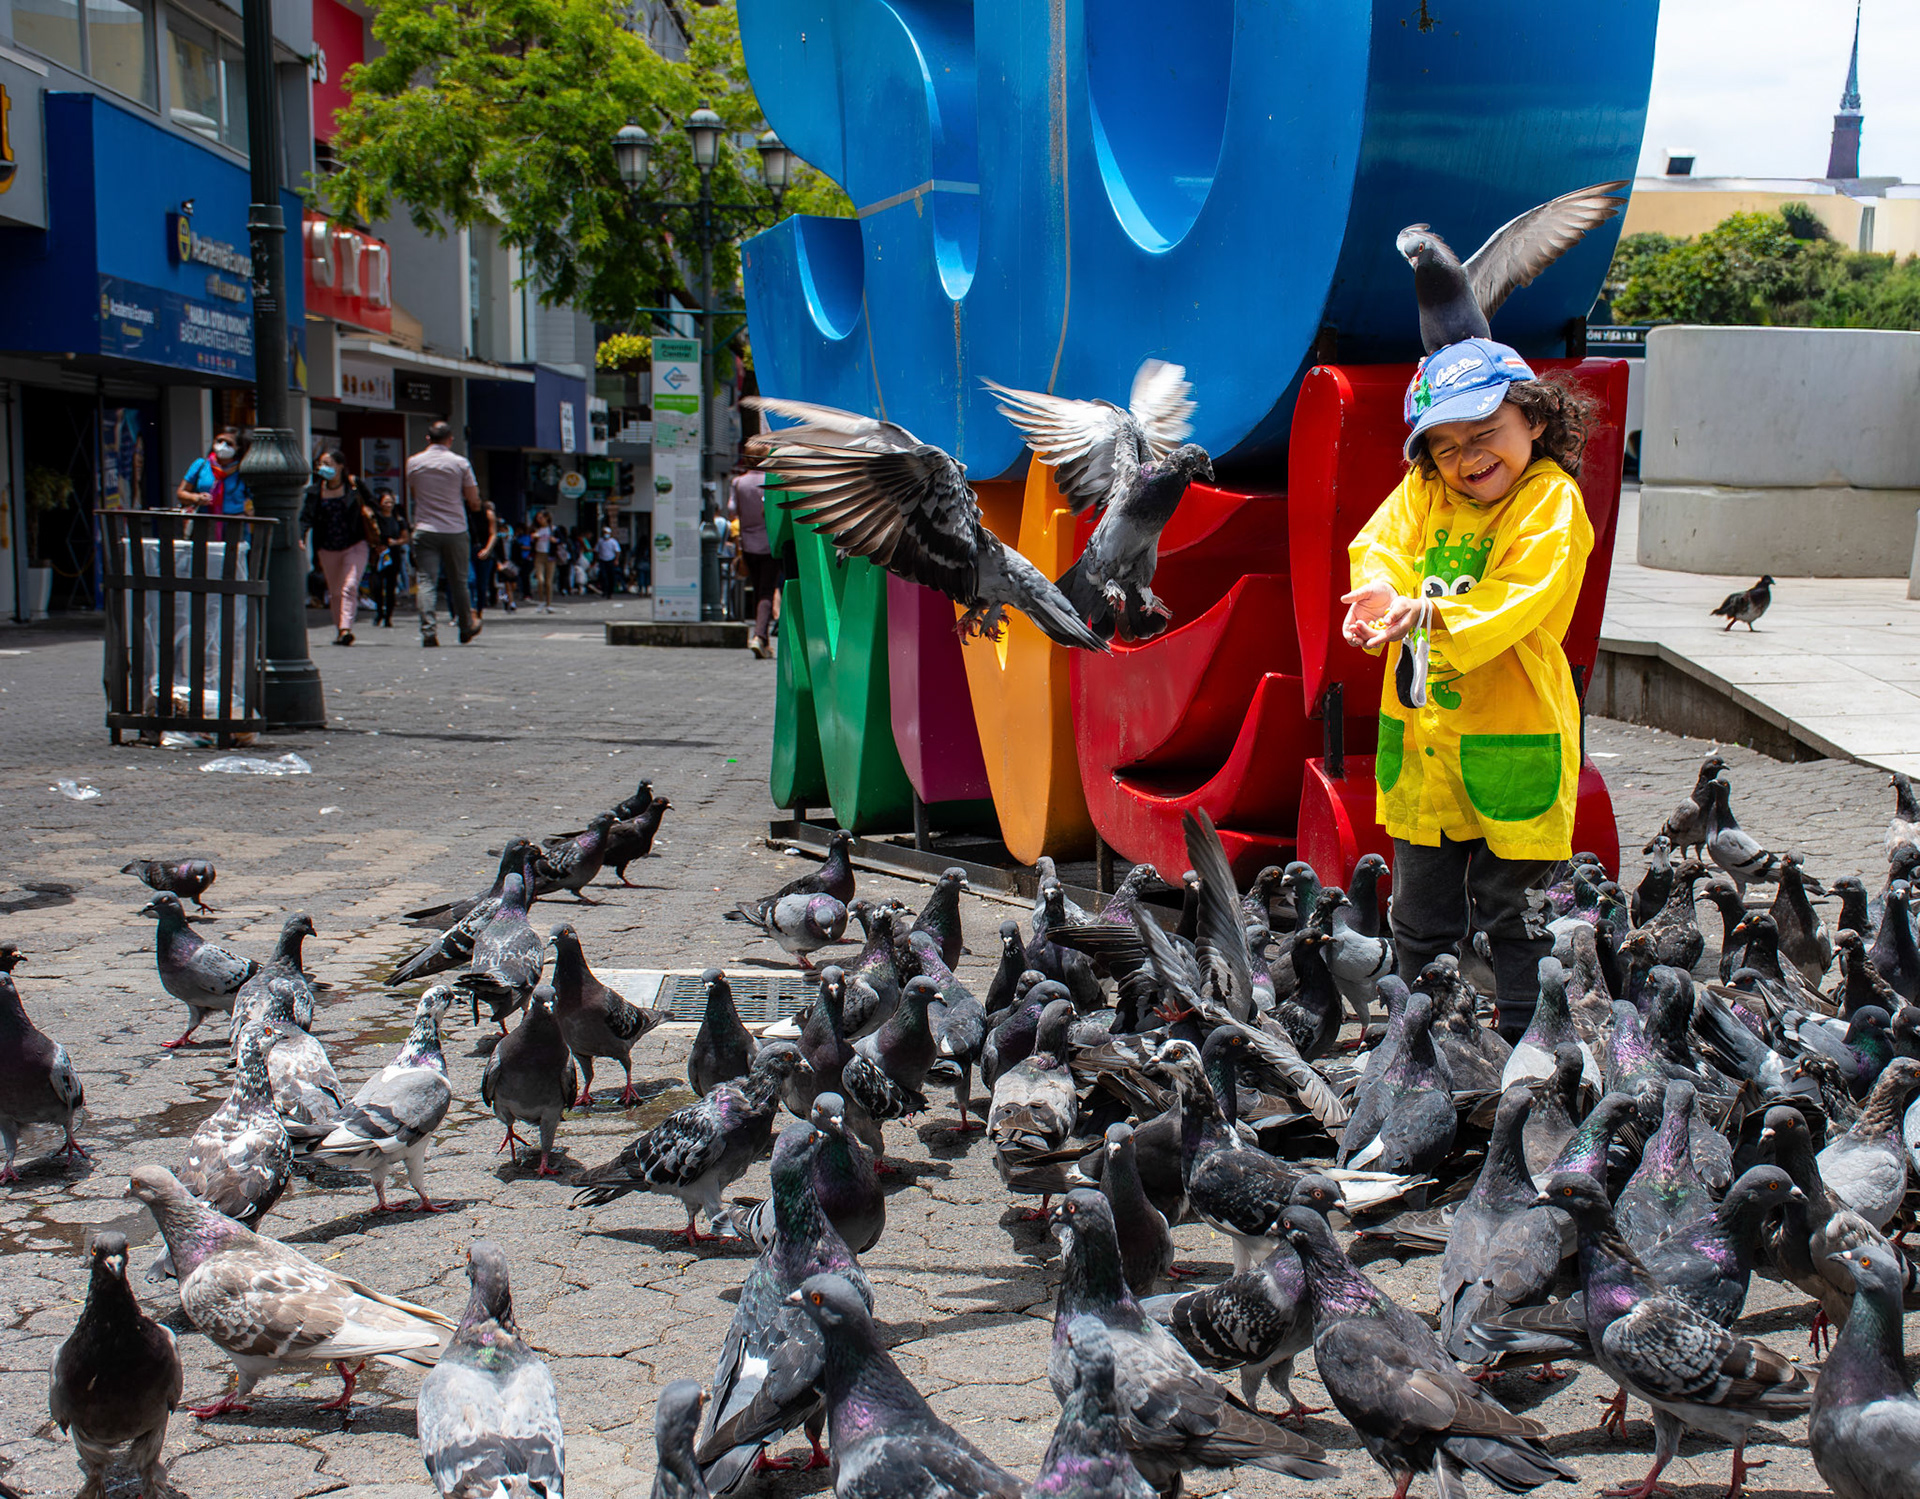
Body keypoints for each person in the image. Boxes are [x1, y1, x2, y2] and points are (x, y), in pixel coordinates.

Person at [1340, 337, 1597, 1044]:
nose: (1469, 457)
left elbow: (1524, 594)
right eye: (1447, 445)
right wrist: (1382, 594)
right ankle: (1418, 1047)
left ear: (1536, 419)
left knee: (1515, 915)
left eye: (1486, 433)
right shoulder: (1425, 488)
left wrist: (1429, 613)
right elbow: (1383, 542)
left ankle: (1528, 1049)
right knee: (1418, 915)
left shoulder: (1551, 500)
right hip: (1425, 746)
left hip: (1514, 737)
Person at [405, 420, 484, 646]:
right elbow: (473, 499)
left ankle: (429, 630)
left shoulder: (414, 462)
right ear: (450, 440)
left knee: (426, 581)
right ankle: (466, 626)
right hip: (455, 529)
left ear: (428, 439)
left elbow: (414, 493)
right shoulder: (459, 463)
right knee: (458, 581)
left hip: (424, 528)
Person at [301, 447, 377, 646]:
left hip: (355, 544)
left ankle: (346, 628)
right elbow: (306, 518)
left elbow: (373, 505)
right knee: (335, 592)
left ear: (340, 465)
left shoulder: (354, 485)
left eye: (328, 464)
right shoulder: (315, 491)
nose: (323, 468)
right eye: (320, 464)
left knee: (349, 587)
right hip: (327, 548)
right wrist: (301, 536)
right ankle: (340, 630)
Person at [728, 463, 778, 657]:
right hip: (768, 543)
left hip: (747, 544)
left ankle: (762, 638)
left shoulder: (738, 482)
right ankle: (759, 636)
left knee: (758, 590)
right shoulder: (769, 480)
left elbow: (732, 509)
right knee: (767, 591)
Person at [176, 428, 250, 516]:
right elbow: (181, 493)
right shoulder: (201, 465)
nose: (223, 445)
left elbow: (252, 499)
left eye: (229, 443)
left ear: (238, 448)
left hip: (234, 523)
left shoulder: (242, 469)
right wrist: (196, 498)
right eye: (219, 441)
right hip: (205, 521)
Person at [370, 489, 409, 627]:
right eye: (386, 502)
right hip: (378, 554)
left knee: (391, 586)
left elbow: (405, 538)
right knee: (376, 585)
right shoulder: (376, 518)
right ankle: (379, 611)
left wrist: (396, 542)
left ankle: (388, 616)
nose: (388, 505)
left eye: (391, 502)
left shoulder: (398, 518)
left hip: (393, 554)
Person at [530, 509, 557, 612]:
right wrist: (533, 538)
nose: (539, 520)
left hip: (550, 556)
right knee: (540, 580)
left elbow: (561, 540)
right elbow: (531, 542)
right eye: (537, 518)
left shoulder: (553, 529)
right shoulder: (536, 529)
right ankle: (541, 601)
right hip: (539, 555)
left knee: (548, 582)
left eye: (541, 518)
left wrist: (555, 540)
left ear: (547, 518)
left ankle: (549, 604)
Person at [595, 526, 622, 598]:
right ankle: (604, 591)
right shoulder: (600, 541)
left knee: (611, 577)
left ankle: (610, 592)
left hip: (611, 560)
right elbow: (597, 551)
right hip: (602, 560)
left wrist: (616, 560)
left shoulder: (613, 542)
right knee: (603, 577)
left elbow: (617, 551)